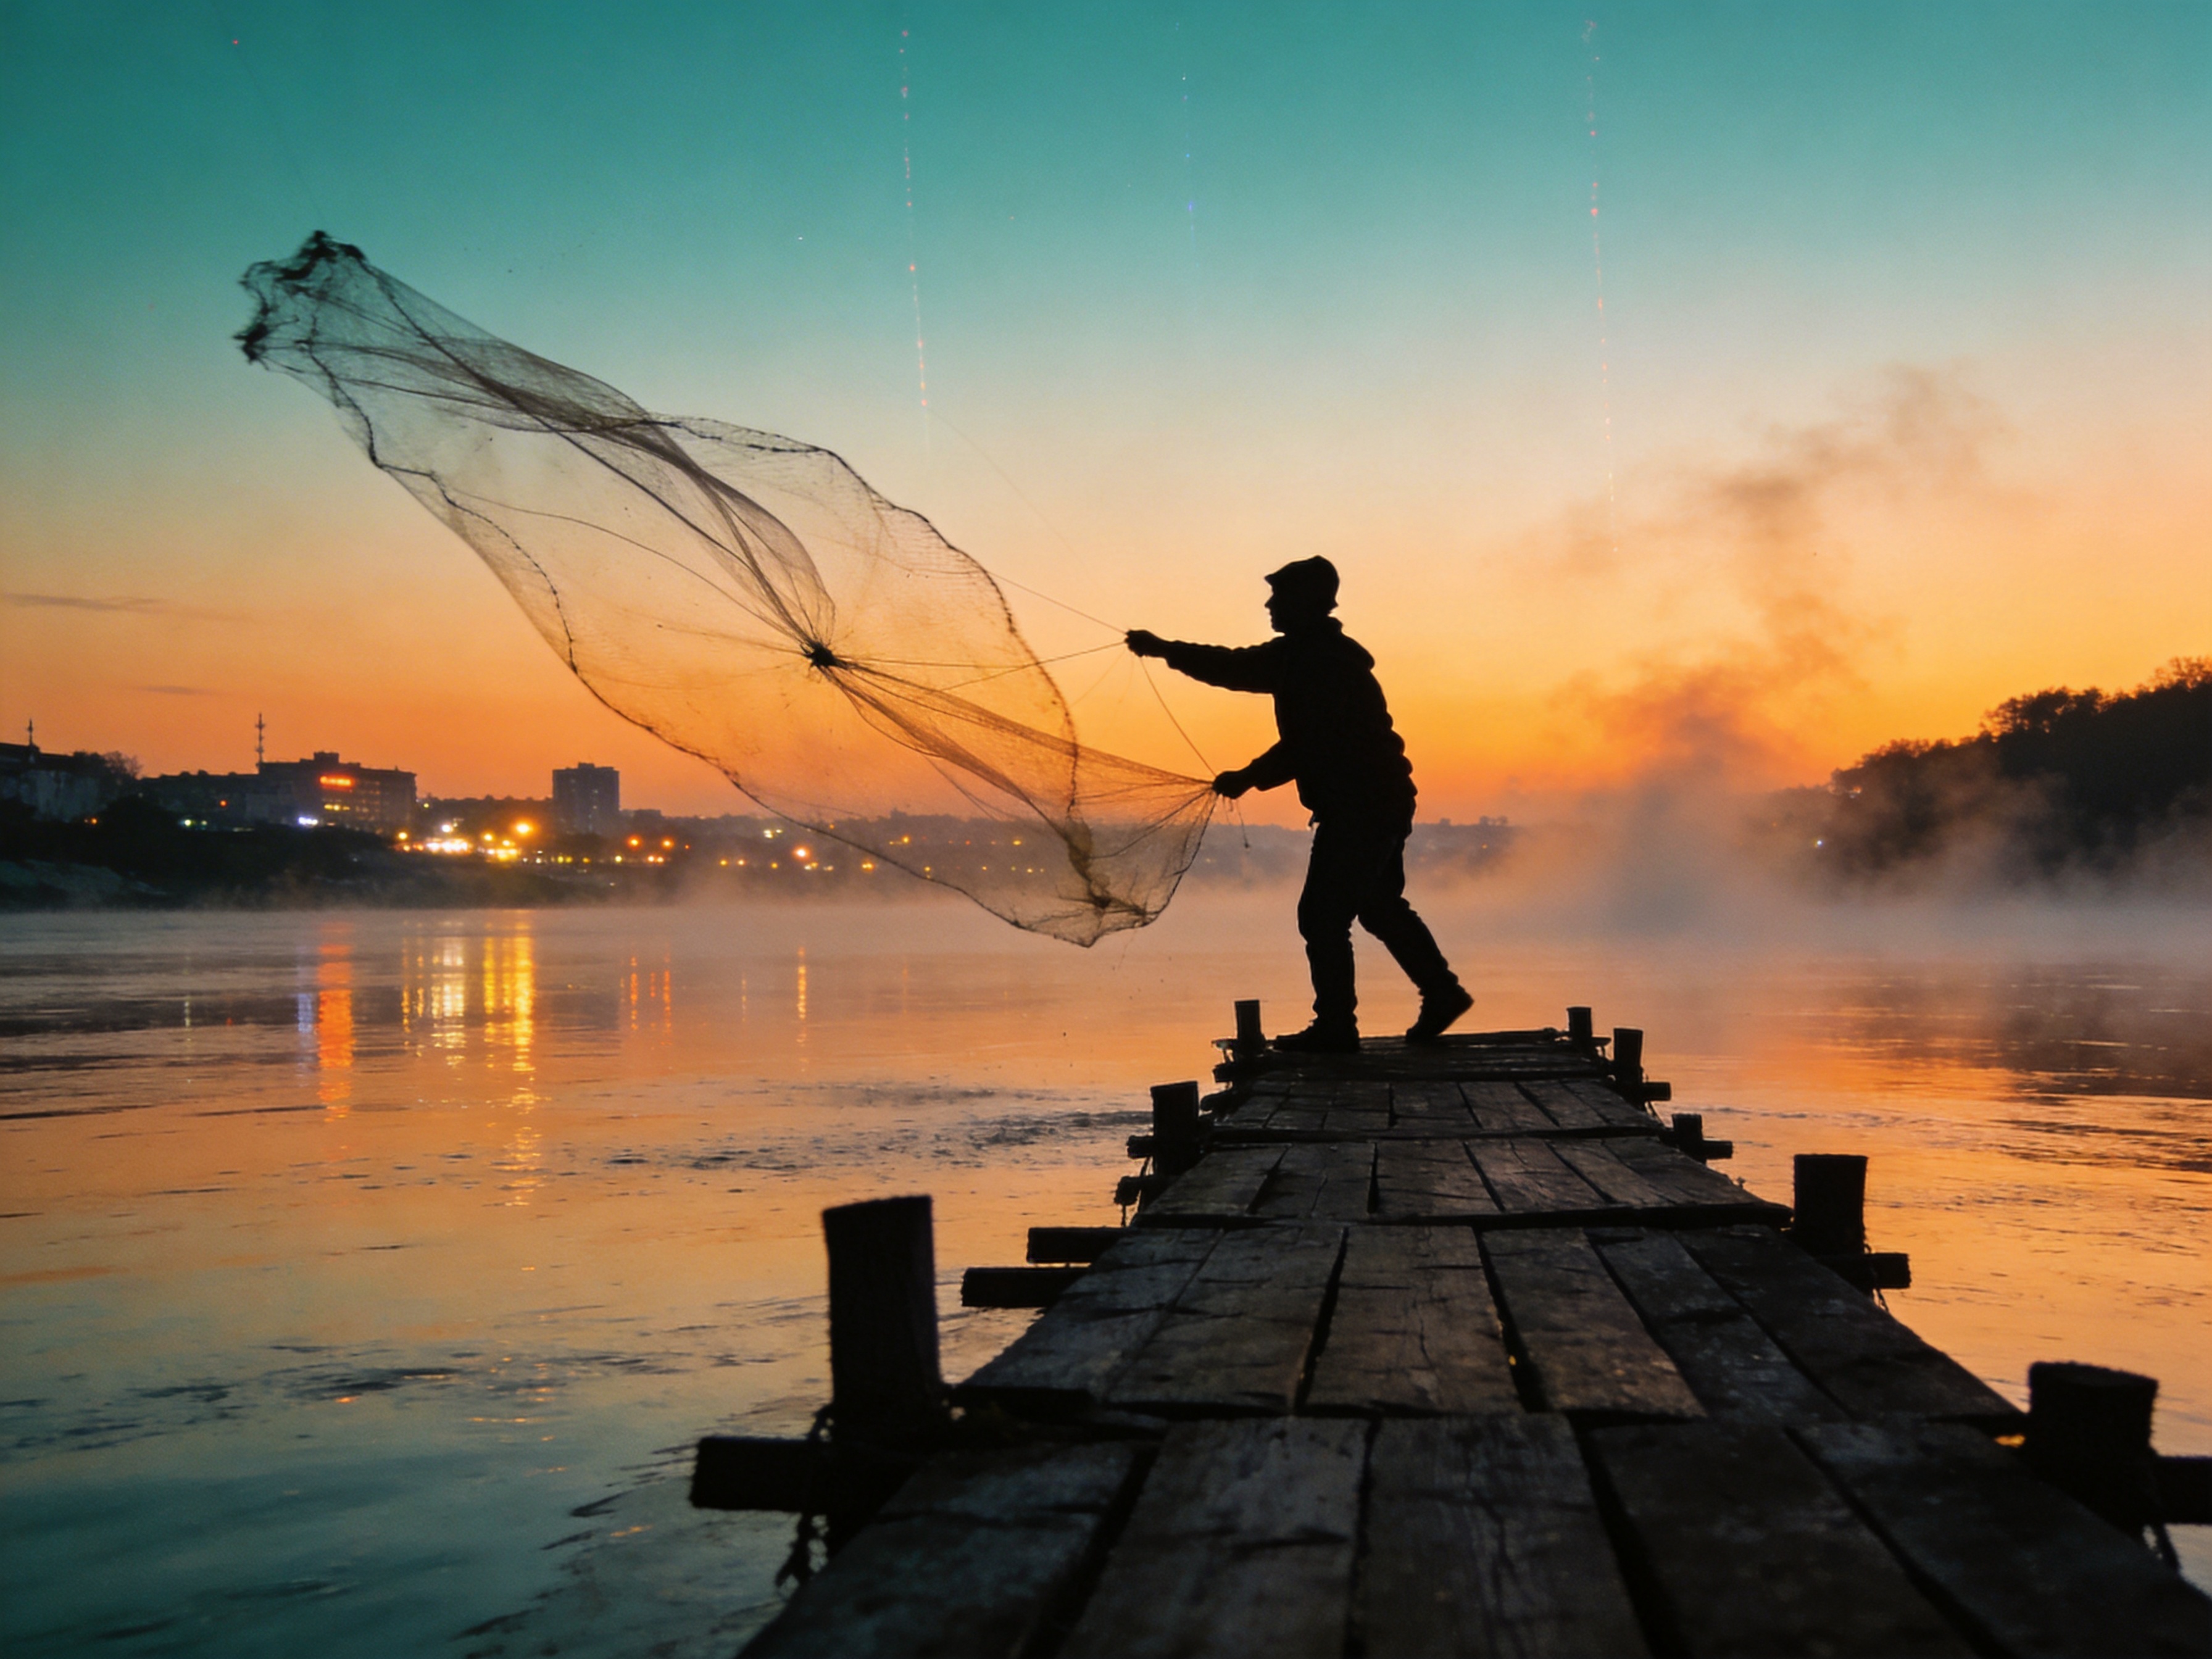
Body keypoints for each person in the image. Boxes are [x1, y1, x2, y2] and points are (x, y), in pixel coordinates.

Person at [1128, 557, 1472, 1052]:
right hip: (1379, 799)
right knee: (1377, 907)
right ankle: (1441, 993)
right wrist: (1165, 649)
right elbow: (1232, 666)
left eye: (1279, 597)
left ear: (1307, 603)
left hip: (1363, 804)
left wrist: (1248, 777)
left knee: (1322, 917)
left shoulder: (1322, 664)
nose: (1269, 605)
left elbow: (1310, 744)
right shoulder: (1298, 655)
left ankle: (1336, 1028)